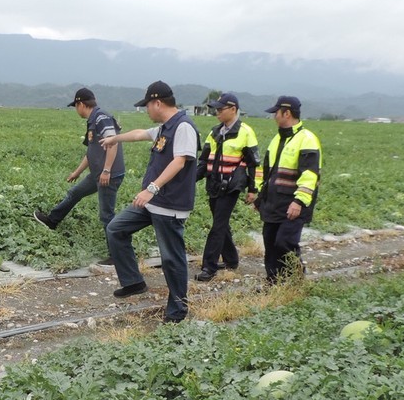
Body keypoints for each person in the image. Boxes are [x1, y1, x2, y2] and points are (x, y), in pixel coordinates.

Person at [101, 80, 200, 324]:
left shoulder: (183, 127)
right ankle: (133, 282)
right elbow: (140, 134)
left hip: (170, 204)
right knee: (115, 229)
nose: (146, 110)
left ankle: (177, 311)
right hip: (152, 203)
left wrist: (151, 189)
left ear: (157, 103)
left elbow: (180, 161)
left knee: (171, 258)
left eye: (147, 105)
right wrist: (115, 139)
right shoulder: (165, 128)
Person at [33, 87, 125, 256]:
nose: (76, 110)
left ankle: (116, 256)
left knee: (106, 215)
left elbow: (113, 143)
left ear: (81, 104)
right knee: (75, 193)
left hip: (108, 175)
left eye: (75, 106)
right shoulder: (92, 121)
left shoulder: (101, 118)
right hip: (97, 174)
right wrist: (77, 172)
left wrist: (106, 170)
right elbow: (91, 152)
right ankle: (52, 221)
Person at [253, 95, 322, 285]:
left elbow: (310, 174)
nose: (274, 116)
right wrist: (260, 198)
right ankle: (273, 282)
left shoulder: (307, 139)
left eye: (276, 112)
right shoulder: (277, 139)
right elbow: (268, 172)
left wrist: (299, 201)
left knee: (285, 243)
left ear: (287, 113)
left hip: (294, 204)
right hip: (274, 203)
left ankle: (297, 280)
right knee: (270, 242)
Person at [194, 92, 260, 281]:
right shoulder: (214, 132)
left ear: (233, 109)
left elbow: (254, 164)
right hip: (214, 184)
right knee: (221, 223)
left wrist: (253, 189)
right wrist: (189, 181)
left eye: (220, 109)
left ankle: (209, 267)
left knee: (218, 225)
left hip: (231, 186)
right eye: (216, 110)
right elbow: (203, 161)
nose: (217, 113)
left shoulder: (245, 132)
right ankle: (231, 260)